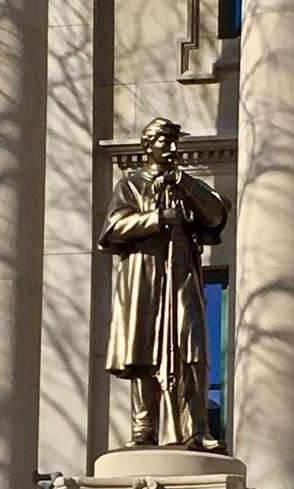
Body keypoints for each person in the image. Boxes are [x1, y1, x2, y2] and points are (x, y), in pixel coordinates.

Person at [99, 117, 230, 449]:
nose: (171, 149)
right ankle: (144, 427)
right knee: (143, 349)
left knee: (192, 346)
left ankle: (198, 429)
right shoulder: (130, 185)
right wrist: (157, 219)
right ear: (148, 146)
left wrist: (185, 185)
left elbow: (215, 216)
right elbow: (112, 229)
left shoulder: (185, 184)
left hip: (182, 271)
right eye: (164, 141)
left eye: (174, 142)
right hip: (143, 272)